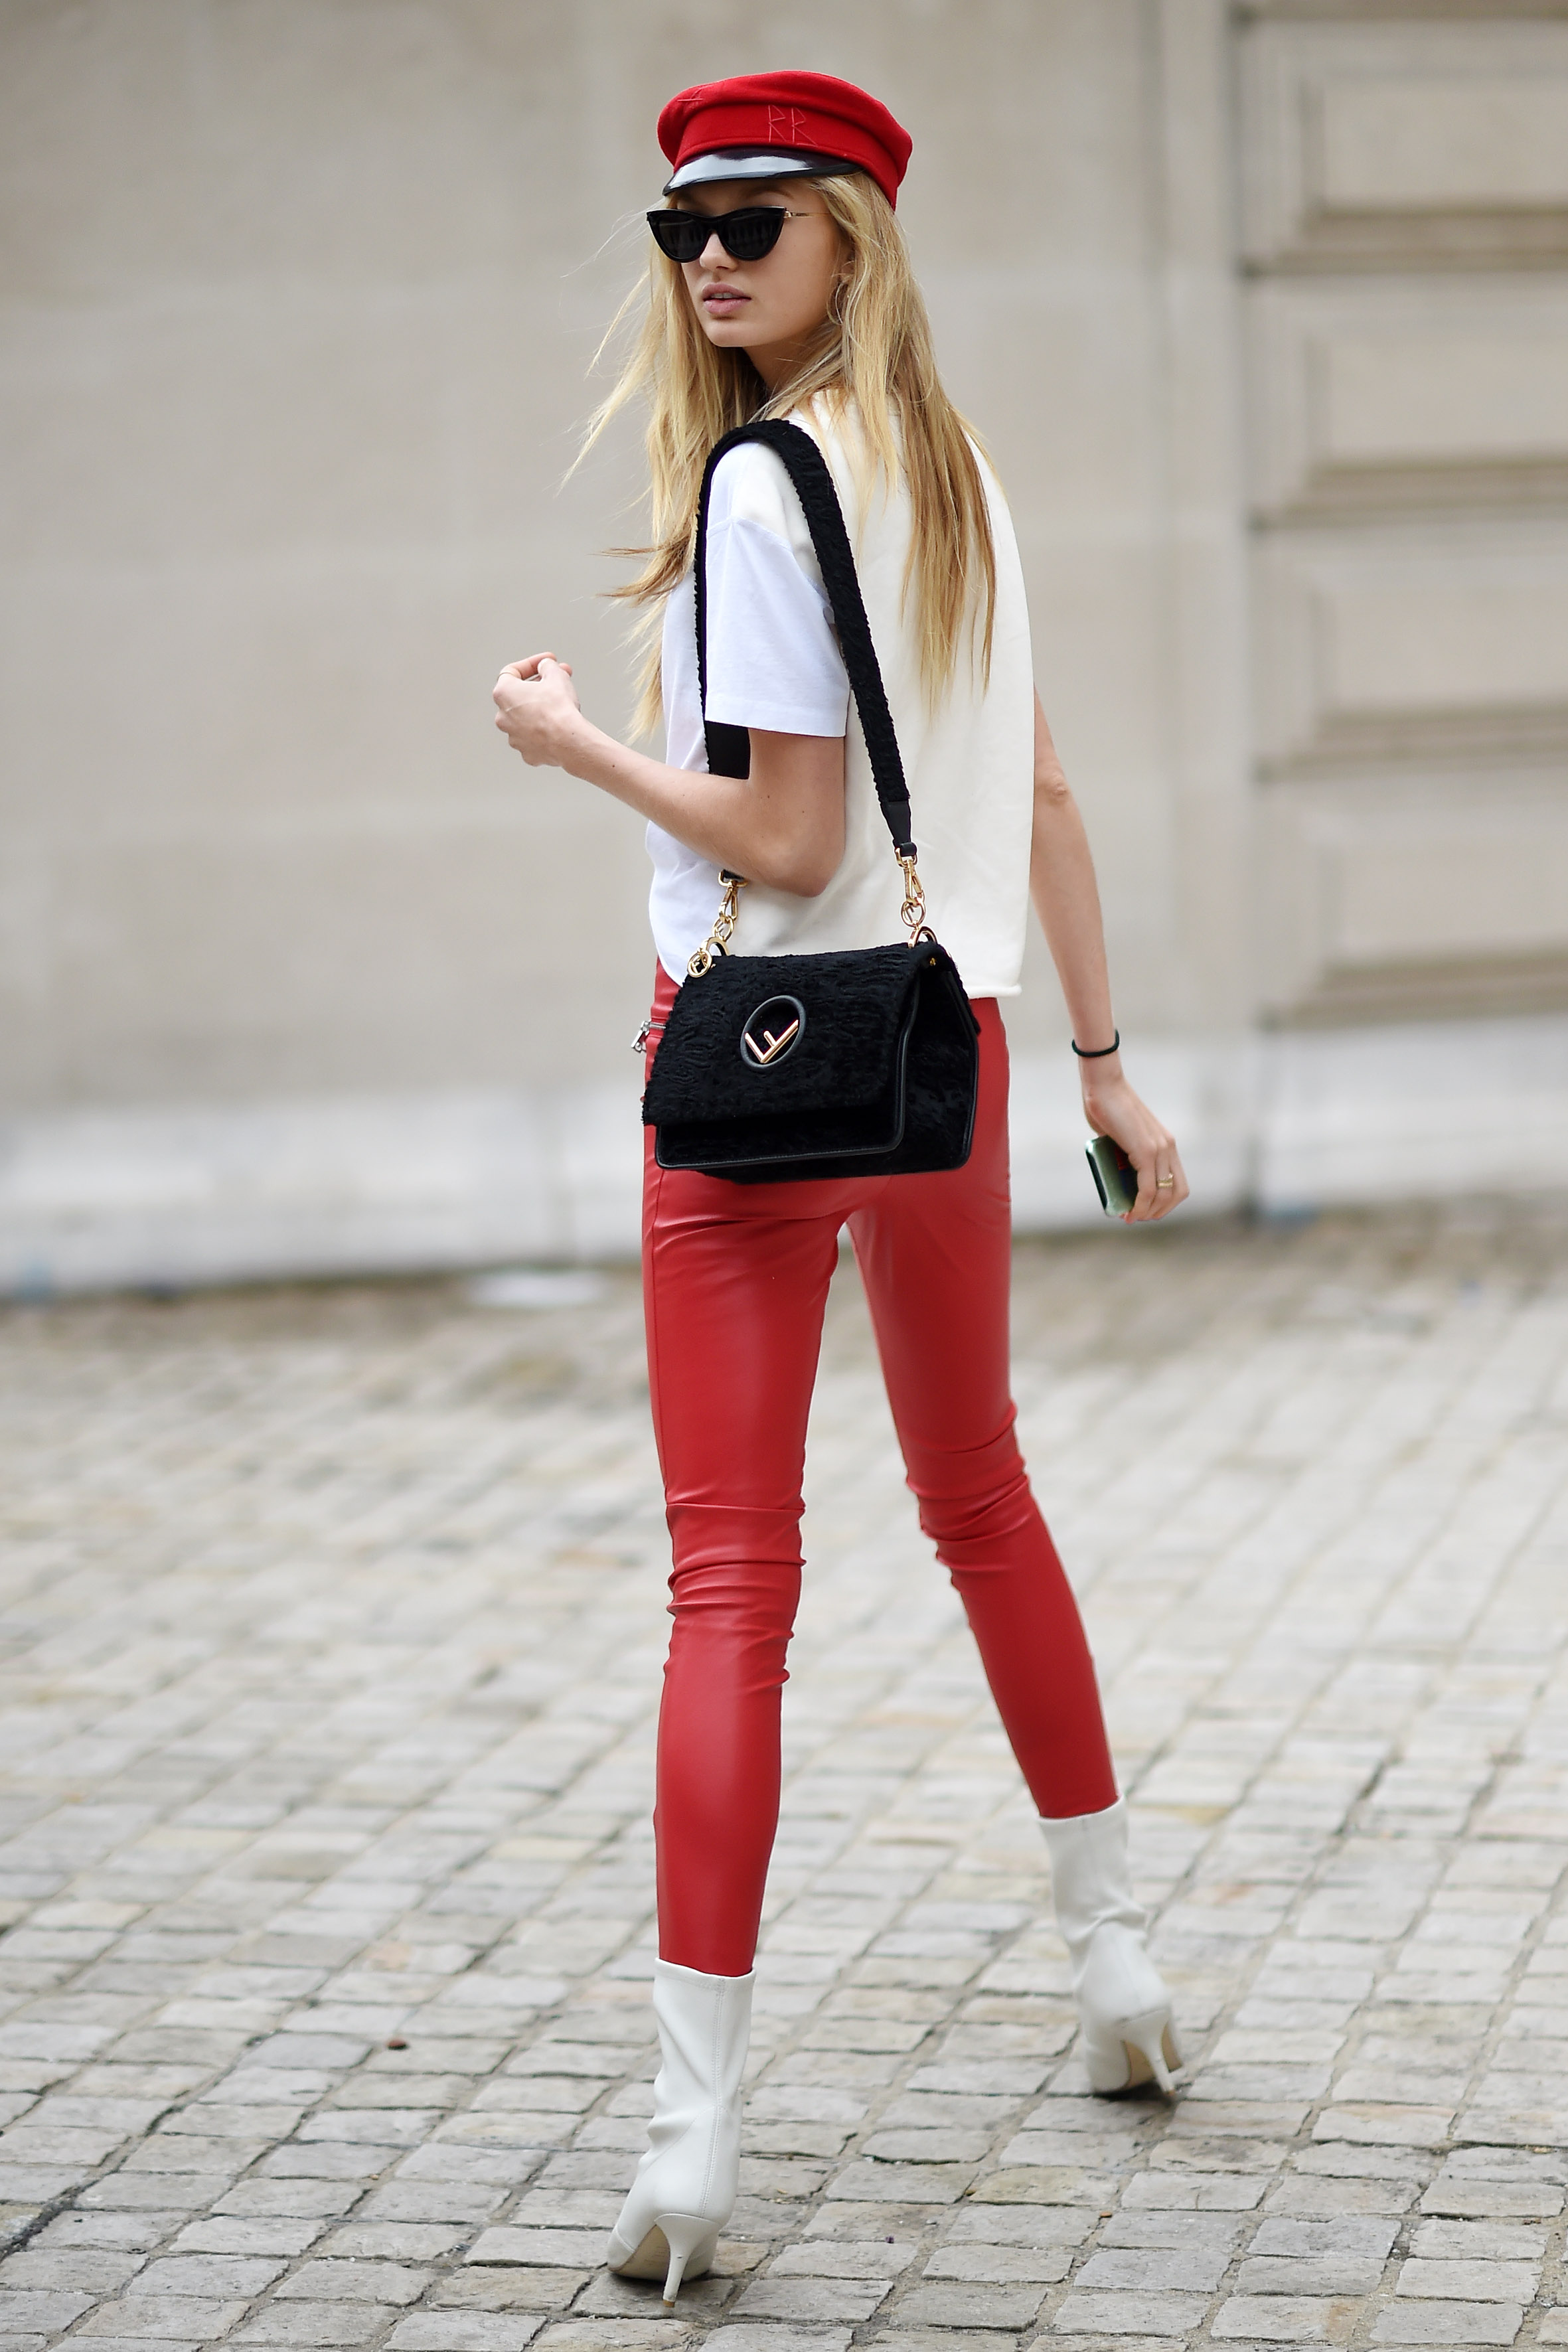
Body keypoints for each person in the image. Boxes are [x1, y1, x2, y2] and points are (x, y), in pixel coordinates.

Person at [493, 69, 1191, 2308]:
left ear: (849, 240)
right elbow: (1044, 787)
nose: (707, 258)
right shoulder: (957, 470)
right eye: (678, 223)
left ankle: (689, 2138)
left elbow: (785, 846)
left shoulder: (773, 488)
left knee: (729, 1590)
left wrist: (573, 742)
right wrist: (1100, 1061)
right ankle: (1117, 1972)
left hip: (764, 1080)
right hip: (951, 1059)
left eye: (755, 222)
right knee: (980, 1499)